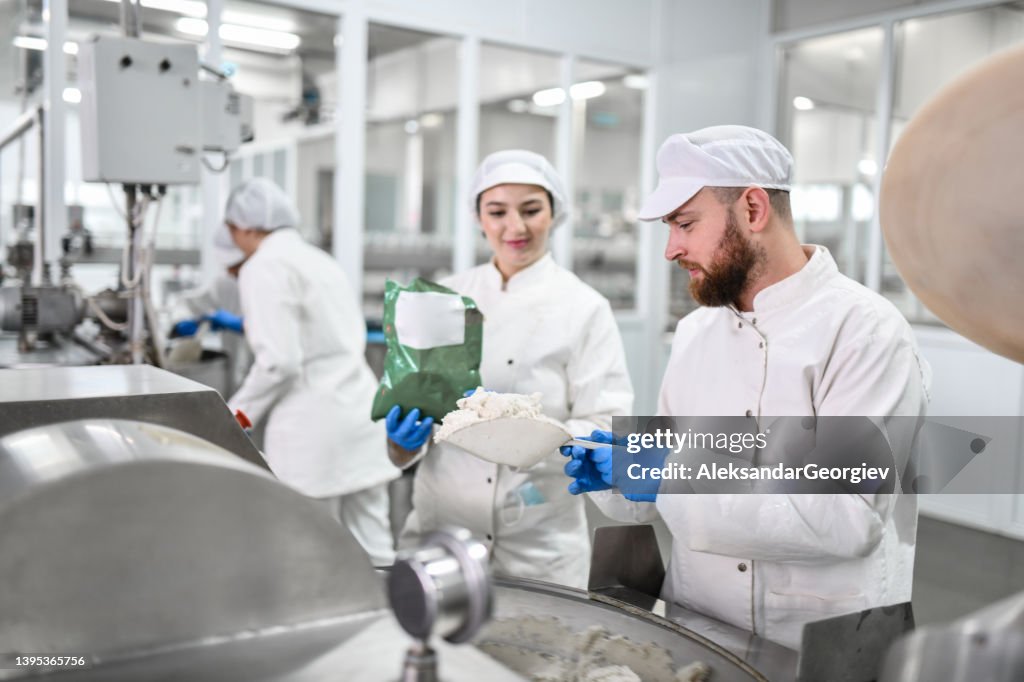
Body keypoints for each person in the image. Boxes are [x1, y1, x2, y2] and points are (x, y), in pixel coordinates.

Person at [563, 125, 930, 650]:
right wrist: (616, 474)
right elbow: (661, 482)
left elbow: (847, 516)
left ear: (753, 209)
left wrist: (670, 477)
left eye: (685, 224)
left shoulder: (866, 332)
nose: (671, 249)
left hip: (814, 643)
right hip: (701, 627)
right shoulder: (695, 333)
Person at [386, 150, 634, 588]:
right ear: (478, 217)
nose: (514, 227)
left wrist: (522, 436)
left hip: (538, 541)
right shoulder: (443, 297)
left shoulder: (584, 307)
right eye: (497, 212)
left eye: (531, 210)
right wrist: (400, 443)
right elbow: (413, 401)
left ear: (555, 213)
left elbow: (604, 423)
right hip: (441, 533)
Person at [217, 177, 399, 565]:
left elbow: (279, 362)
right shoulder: (318, 259)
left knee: (312, 554)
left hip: (314, 432)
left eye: (232, 230)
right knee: (376, 550)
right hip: (360, 416)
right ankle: (390, 622)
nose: (234, 240)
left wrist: (234, 415)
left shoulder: (263, 266)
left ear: (247, 226)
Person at [170, 243, 252, 394]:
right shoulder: (226, 283)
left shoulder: (275, 283)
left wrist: (243, 326)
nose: (231, 271)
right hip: (234, 378)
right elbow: (188, 303)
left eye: (236, 265)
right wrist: (181, 321)